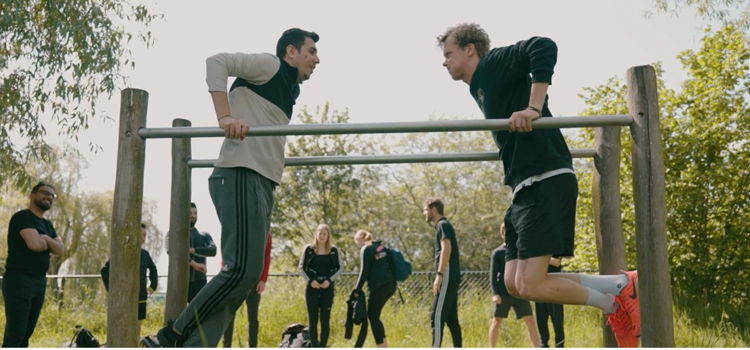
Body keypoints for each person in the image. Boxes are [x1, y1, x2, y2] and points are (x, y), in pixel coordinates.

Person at [436, 23, 640, 347]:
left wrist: (534, 107)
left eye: (448, 54)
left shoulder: (494, 63)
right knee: (515, 283)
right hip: (522, 187)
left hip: (545, 178)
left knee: (531, 284)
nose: (444, 61)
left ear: (469, 49)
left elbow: (543, 45)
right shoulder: (478, 86)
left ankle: (614, 304)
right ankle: (619, 285)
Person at [155, 27, 320, 347]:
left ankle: (195, 344)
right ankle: (173, 334)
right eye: (310, 51)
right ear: (290, 52)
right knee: (239, 270)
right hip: (240, 173)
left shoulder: (289, 88)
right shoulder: (271, 66)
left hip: (261, 181)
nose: (316, 58)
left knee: (245, 278)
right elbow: (216, 62)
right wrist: (225, 117)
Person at [2, 181, 65, 347]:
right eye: (45, 192)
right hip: (19, 280)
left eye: (52, 195)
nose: (49, 197)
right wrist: (49, 242)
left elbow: (60, 250)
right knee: (17, 331)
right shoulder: (22, 217)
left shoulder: (48, 225)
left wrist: (45, 238)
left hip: (39, 281)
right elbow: (35, 245)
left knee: (28, 331)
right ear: (32, 195)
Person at [101, 223, 158, 341]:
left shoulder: (145, 254)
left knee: (137, 330)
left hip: (141, 296)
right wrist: (112, 291)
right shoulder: (122, 252)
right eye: (141, 234)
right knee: (124, 328)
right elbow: (104, 270)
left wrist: (152, 286)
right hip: (125, 298)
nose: (144, 237)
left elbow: (153, 270)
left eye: (145, 235)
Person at [489, 223, 540, 348]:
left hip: (519, 293)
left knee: (530, 321)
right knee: (496, 321)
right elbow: (493, 275)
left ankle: (538, 347)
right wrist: (495, 294)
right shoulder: (497, 253)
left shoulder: (521, 251)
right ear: (502, 234)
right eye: (506, 233)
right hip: (503, 294)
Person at [423, 198, 462, 348]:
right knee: (452, 319)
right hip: (448, 276)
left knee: (436, 316)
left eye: (425, 210)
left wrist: (439, 275)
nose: (424, 213)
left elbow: (447, 248)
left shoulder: (442, 225)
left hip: (446, 275)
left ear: (433, 210)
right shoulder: (442, 226)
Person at [222, 230, 272, 348]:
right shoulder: (238, 224)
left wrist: (263, 279)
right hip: (235, 280)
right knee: (229, 316)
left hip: (255, 281)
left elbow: (267, 255)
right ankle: (226, 346)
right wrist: (226, 276)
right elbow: (226, 251)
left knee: (253, 318)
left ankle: (253, 346)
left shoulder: (265, 229)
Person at [299, 224, 343, 348]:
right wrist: (310, 281)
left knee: (325, 320)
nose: (322, 236)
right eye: (320, 233)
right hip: (311, 290)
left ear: (328, 236)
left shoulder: (334, 250)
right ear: (316, 234)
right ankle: (314, 346)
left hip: (327, 289)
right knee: (313, 321)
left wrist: (329, 280)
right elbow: (301, 267)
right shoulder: (308, 249)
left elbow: (340, 268)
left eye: (324, 233)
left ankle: (323, 346)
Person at [352, 230, 396, 348]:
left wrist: (356, 290)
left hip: (379, 287)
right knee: (375, 315)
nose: (357, 245)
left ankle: (381, 346)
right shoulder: (380, 246)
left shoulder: (366, 249)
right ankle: (384, 345)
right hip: (390, 285)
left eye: (356, 242)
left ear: (360, 239)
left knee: (372, 316)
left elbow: (364, 271)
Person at [187, 202, 216, 302]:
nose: (193, 216)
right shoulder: (173, 234)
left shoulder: (204, 235)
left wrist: (193, 250)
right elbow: (173, 252)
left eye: (195, 213)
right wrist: (193, 263)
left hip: (200, 283)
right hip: (181, 282)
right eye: (190, 213)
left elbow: (213, 250)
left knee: (200, 315)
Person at [535, 256, 565, 348]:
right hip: (539, 286)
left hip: (554, 287)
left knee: (557, 319)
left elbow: (556, 262)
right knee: (541, 319)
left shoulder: (556, 244)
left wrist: (537, 258)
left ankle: (559, 344)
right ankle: (543, 344)